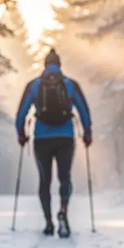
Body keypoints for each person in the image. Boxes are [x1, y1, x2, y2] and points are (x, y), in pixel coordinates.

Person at [15, 48, 92, 237]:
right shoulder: (71, 85)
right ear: (59, 65)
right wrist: (87, 133)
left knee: (45, 180)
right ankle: (63, 210)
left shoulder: (33, 85)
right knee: (64, 177)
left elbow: (20, 114)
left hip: (41, 139)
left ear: (45, 65)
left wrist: (22, 135)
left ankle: (49, 222)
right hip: (65, 137)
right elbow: (84, 111)